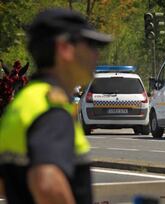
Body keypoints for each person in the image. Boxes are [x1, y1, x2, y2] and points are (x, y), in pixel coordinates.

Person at [0, 8, 111, 204]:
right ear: (64, 49)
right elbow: (47, 183)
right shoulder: (52, 109)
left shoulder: (26, 101)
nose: (96, 55)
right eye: (90, 46)